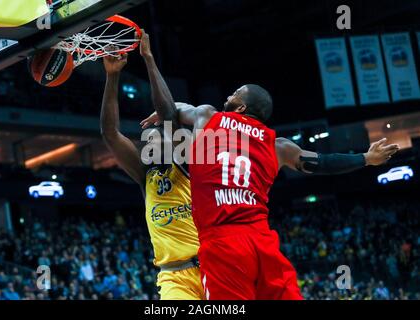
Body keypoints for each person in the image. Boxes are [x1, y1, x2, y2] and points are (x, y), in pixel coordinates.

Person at [141, 84, 400, 299]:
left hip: (222, 243)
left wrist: (165, 110)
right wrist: (366, 158)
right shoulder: (279, 146)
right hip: (261, 241)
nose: (229, 95)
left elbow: (175, 110)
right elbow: (323, 162)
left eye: (235, 93)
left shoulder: (208, 117)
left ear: (241, 107)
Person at [99, 31, 203, 300]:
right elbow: (110, 133)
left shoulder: (188, 161)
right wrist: (112, 77)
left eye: (157, 133)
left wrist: (148, 59)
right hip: (173, 277)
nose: (151, 137)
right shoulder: (145, 175)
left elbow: (168, 115)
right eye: (147, 138)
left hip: (211, 267)